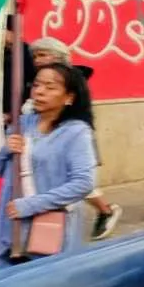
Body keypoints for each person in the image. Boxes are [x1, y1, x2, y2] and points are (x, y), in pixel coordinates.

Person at [0, 63, 96, 262]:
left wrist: (32, 204)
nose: (39, 91)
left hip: (50, 231)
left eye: (50, 87)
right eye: (36, 85)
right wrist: (6, 149)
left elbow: (84, 183)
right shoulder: (22, 123)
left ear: (69, 97)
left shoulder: (76, 132)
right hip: (11, 228)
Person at [27, 37, 122, 239]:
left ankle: (106, 211)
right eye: (35, 55)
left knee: (76, 184)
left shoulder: (72, 83)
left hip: (68, 142)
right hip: (44, 143)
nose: (37, 60)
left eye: (43, 54)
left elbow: (82, 182)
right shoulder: (37, 82)